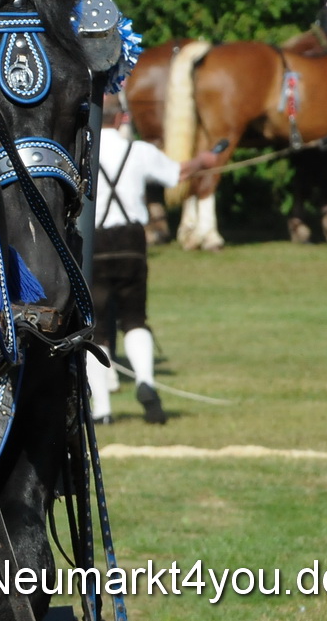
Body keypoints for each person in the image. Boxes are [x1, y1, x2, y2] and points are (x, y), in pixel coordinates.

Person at [87, 95, 214, 425]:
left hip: (95, 241)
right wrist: (202, 160)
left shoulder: (83, 151)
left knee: (96, 328)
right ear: (120, 119)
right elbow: (177, 173)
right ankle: (145, 380)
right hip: (131, 240)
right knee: (134, 318)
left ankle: (102, 409)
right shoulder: (138, 151)